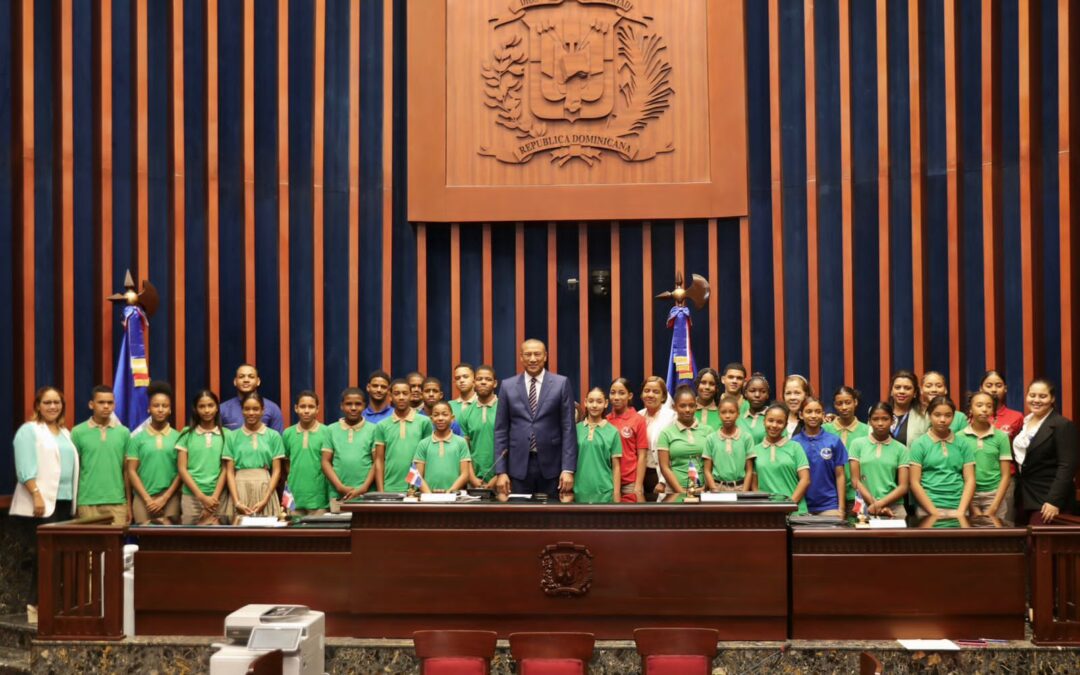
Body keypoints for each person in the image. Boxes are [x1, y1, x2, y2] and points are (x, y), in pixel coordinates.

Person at [10, 386, 78, 623]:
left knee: (57, 557)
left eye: (57, 402)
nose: (52, 407)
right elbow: (24, 467)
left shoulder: (65, 432)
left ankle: (52, 605)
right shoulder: (29, 431)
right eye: (47, 402)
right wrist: (36, 494)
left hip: (63, 503)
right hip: (38, 505)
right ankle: (35, 606)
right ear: (38, 405)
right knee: (43, 556)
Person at [493, 339, 578, 496]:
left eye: (537, 354)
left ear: (545, 356)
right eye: (528, 354)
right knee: (519, 518)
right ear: (521, 357)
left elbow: (569, 429)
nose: (532, 359)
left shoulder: (561, 383)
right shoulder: (507, 386)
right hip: (517, 467)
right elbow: (501, 431)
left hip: (553, 467)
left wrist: (568, 469)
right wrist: (501, 471)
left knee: (553, 518)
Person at [1014, 379, 1078, 524]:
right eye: (1032, 395)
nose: (1036, 400)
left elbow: (1067, 466)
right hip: (1023, 497)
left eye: (1042, 396)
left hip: (1047, 499)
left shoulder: (1062, 425)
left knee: (1038, 543)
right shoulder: (1024, 423)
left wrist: (1054, 501)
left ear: (1052, 399)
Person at [70, 386, 131, 525]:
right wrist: (74, 504)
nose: (106, 406)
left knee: (115, 546)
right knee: (89, 546)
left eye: (110, 403)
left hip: (117, 502)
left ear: (114, 405)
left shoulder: (124, 433)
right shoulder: (77, 432)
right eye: (101, 402)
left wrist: (128, 503)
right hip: (87, 502)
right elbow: (75, 471)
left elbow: (126, 471)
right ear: (91, 404)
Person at [909, 396, 976, 518]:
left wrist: (961, 511)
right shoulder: (919, 444)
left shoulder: (963, 444)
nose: (942, 420)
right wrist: (934, 512)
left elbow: (970, 480)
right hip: (928, 509)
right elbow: (914, 482)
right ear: (929, 415)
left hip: (959, 507)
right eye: (937, 415)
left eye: (948, 415)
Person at [126, 384, 182, 525]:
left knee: (169, 542)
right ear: (149, 408)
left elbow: (182, 471)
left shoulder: (179, 437)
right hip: (143, 498)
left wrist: (165, 498)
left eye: (165, 406)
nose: (160, 409)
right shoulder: (137, 439)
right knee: (145, 541)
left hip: (171, 498)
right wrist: (147, 499)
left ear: (170, 410)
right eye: (156, 405)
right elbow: (131, 471)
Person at [224, 392, 284, 519]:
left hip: (265, 488)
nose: (251, 413)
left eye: (256, 409)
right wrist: (236, 501)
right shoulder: (232, 436)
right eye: (247, 409)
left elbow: (277, 470)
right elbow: (229, 471)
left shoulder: (273, 436)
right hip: (239, 488)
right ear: (242, 411)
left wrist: (265, 499)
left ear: (263, 410)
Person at [176, 390, 231, 525]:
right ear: (195, 409)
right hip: (191, 496)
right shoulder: (186, 433)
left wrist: (214, 498)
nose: (207, 410)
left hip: (218, 497)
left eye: (210, 405)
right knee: (192, 540)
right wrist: (201, 497)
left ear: (217, 407)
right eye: (202, 406)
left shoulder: (227, 434)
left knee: (218, 541)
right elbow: (182, 469)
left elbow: (226, 469)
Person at [849, 402, 910, 518]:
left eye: (885, 419)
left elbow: (904, 487)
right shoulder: (857, 444)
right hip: (864, 505)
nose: (880, 423)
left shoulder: (902, 449)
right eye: (875, 419)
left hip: (894, 508)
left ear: (892, 421)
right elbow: (855, 480)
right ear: (869, 421)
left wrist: (879, 504)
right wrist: (874, 504)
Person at [374, 379, 434, 491]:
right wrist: (381, 491)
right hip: (390, 487)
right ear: (390, 397)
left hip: (418, 488)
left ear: (411, 396)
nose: (401, 397)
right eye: (396, 394)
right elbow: (379, 460)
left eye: (405, 393)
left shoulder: (424, 422)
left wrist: (422, 487)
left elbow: (428, 457)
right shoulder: (382, 425)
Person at [961, 391, 1012, 523]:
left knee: (996, 540)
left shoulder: (1001, 436)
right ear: (970, 409)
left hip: (994, 495)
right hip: (967, 495)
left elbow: (1006, 475)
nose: (984, 409)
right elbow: (958, 473)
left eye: (989, 406)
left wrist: (993, 507)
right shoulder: (959, 437)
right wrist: (972, 506)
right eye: (979, 405)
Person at [750, 403, 810, 514]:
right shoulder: (755, 450)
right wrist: (762, 507)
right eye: (770, 420)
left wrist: (789, 505)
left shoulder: (795, 447)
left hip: (795, 511)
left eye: (779, 422)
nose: (774, 425)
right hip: (767, 514)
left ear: (785, 425)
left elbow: (805, 480)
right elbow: (754, 486)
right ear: (764, 421)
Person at [792, 397, 848, 515]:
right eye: (809, 411)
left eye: (817, 412)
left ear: (823, 415)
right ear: (801, 415)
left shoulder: (834, 441)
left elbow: (840, 475)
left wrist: (841, 508)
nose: (813, 415)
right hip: (802, 506)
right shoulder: (793, 443)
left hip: (829, 505)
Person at [322, 388, 379, 502]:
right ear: (341, 406)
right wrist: (339, 486)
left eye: (358, 404)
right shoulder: (331, 430)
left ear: (364, 406)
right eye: (349, 404)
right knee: (339, 520)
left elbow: (376, 461)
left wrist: (363, 488)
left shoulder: (374, 429)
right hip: (337, 493)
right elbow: (325, 462)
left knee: (365, 520)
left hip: (366, 494)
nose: (353, 408)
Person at [282, 391, 331, 516]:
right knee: (293, 533)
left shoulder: (327, 432)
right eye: (303, 406)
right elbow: (287, 462)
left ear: (317, 409)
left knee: (317, 533)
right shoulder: (288, 433)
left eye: (311, 407)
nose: (306, 410)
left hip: (319, 497)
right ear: (296, 408)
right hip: (294, 496)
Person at [574, 387, 622, 503]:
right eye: (591, 401)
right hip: (579, 491)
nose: (594, 405)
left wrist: (616, 494)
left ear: (606, 404)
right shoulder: (576, 429)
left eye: (599, 402)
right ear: (585, 402)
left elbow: (616, 467)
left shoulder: (613, 432)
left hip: (605, 492)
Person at [657, 386, 709, 494]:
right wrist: (681, 492)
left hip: (704, 491)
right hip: (675, 491)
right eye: (682, 406)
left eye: (691, 405)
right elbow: (664, 467)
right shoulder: (666, 433)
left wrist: (706, 488)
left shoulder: (708, 431)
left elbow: (712, 464)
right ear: (674, 407)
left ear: (696, 406)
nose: (687, 410)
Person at [823, 386, 867, 511]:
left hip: (858, 495)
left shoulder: (867, 431)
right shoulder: (825, 429)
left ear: (855, 402)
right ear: (834, 405)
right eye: (839, 403)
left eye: (848, 402)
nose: (844, 407)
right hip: (830, 495)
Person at [413, 401, 471, 492]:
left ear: (452, 418)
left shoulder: (461, 442)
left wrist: (450, 492)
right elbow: (415, 475)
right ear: (431, 419)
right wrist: (429, 495)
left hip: (454, 498)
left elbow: (465, 474)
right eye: (436, 415)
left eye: (445, 414)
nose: (440, 418)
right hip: (428, 498)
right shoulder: (423, 443)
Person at [606, 378, 647, 502]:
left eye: (621, 393)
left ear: (629, 396)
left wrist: (638, 487)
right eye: (612, 392)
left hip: (631, 482)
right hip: (609, 481)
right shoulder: (605, 420)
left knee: (633, 520)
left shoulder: (638, 420)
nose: (616, 397)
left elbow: (642, 456)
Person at [703, 395, 754, 492]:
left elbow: (749, 470)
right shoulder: (711, 439)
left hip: (740, 487)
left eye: (732, 412)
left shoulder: (746, 437)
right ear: (719, 414)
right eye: (723, 412)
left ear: (738, 414)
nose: (727, 416)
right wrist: (714, 489)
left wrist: (744, 492)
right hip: (717, 487)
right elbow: (707, 470)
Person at [460, 365, 499, 487]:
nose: (483, 382)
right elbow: (464, 450)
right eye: (479, 379)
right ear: (473, 383)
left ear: (495, 383)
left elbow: (511, 448)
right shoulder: (466, 413)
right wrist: (471, 477)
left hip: (501, 478)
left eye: (488, 379)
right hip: (473, 480)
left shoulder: (504, 409)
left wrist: (499, 476)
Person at [639, 376, 675, 501]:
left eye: (656, 392)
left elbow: (674, 452)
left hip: (660, 474)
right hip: (640, 475)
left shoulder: (671, 417)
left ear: (664, 397)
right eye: (647, 390)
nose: (650, 395)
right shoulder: (638, 415)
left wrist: (664, 481)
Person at [219, 364, 285, 432]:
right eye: (241, 377)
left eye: (251, 377)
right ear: (235, 381)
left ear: (258, 381)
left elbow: (277, 439)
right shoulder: (222, 409)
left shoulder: (272, 408)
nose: (246, 380)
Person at [979, 370, 1024, 441]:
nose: (994, 390)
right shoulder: (972, 417)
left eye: (998, 386)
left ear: (1005, 389)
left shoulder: (1017, 417)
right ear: (981, 389)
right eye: (989, 386)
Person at [888, 370, 928, 445]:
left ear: (915, 393)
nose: (902, 391)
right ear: (891, 391)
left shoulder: (925, 417)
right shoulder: (879, 413)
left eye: (907, 388)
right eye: (897, 387)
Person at [739, 373, 771, 444]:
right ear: (745, 393)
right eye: (752, 391)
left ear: (767, 395)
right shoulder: (738, 419)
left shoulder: (773, 418)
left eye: (762, 391)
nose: (757, 395)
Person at [693, 367, 722, 432]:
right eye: (703, 383)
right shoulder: (686, 410)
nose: (707, 387)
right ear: (697, 385)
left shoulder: (722, 412)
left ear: (716, 388)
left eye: (711, 384)